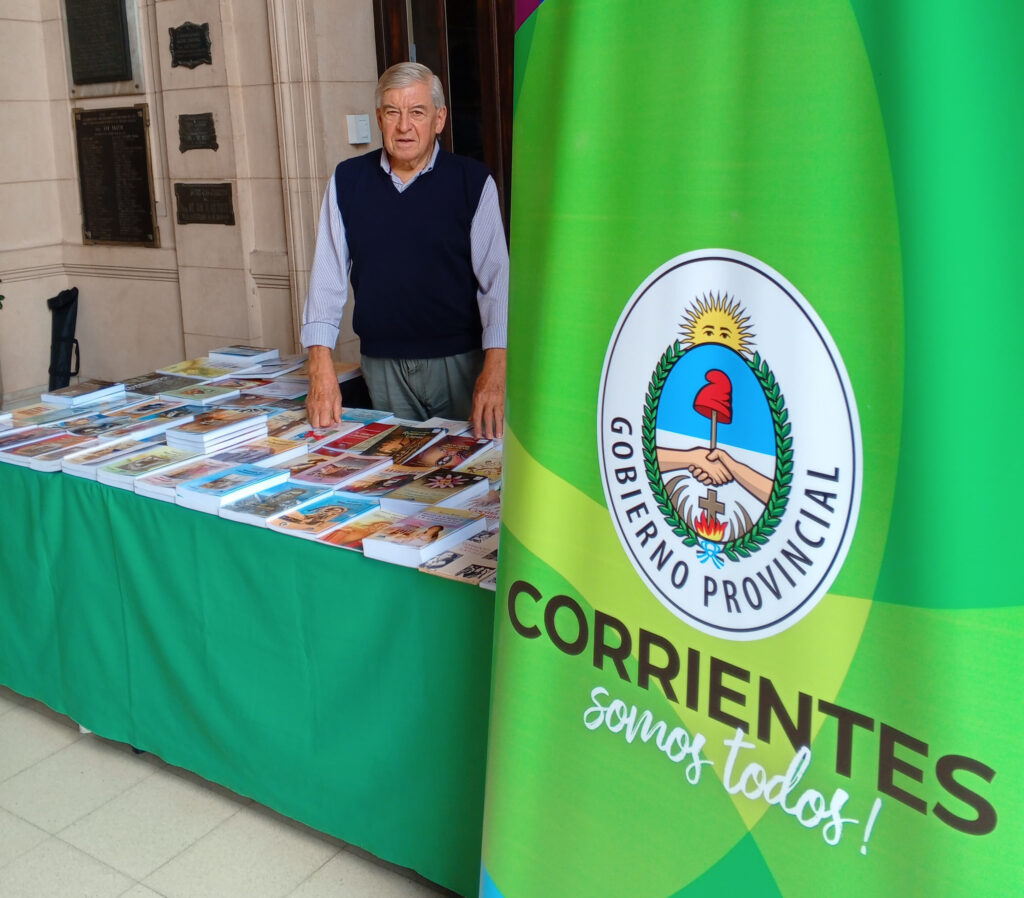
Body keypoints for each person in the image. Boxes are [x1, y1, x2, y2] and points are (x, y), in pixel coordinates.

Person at [301, 62, 509, 439]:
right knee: (394, 468)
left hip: (459, 363)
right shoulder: (347, 180)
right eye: (393, 112)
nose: (404, 126)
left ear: (439, 119)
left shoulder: (473, 182)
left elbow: (497, 284)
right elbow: (326, 279)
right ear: (379, 118)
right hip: (381, 366)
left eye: (417, 112)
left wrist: (496, 371)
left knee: (472, 466)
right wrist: (320, 365)